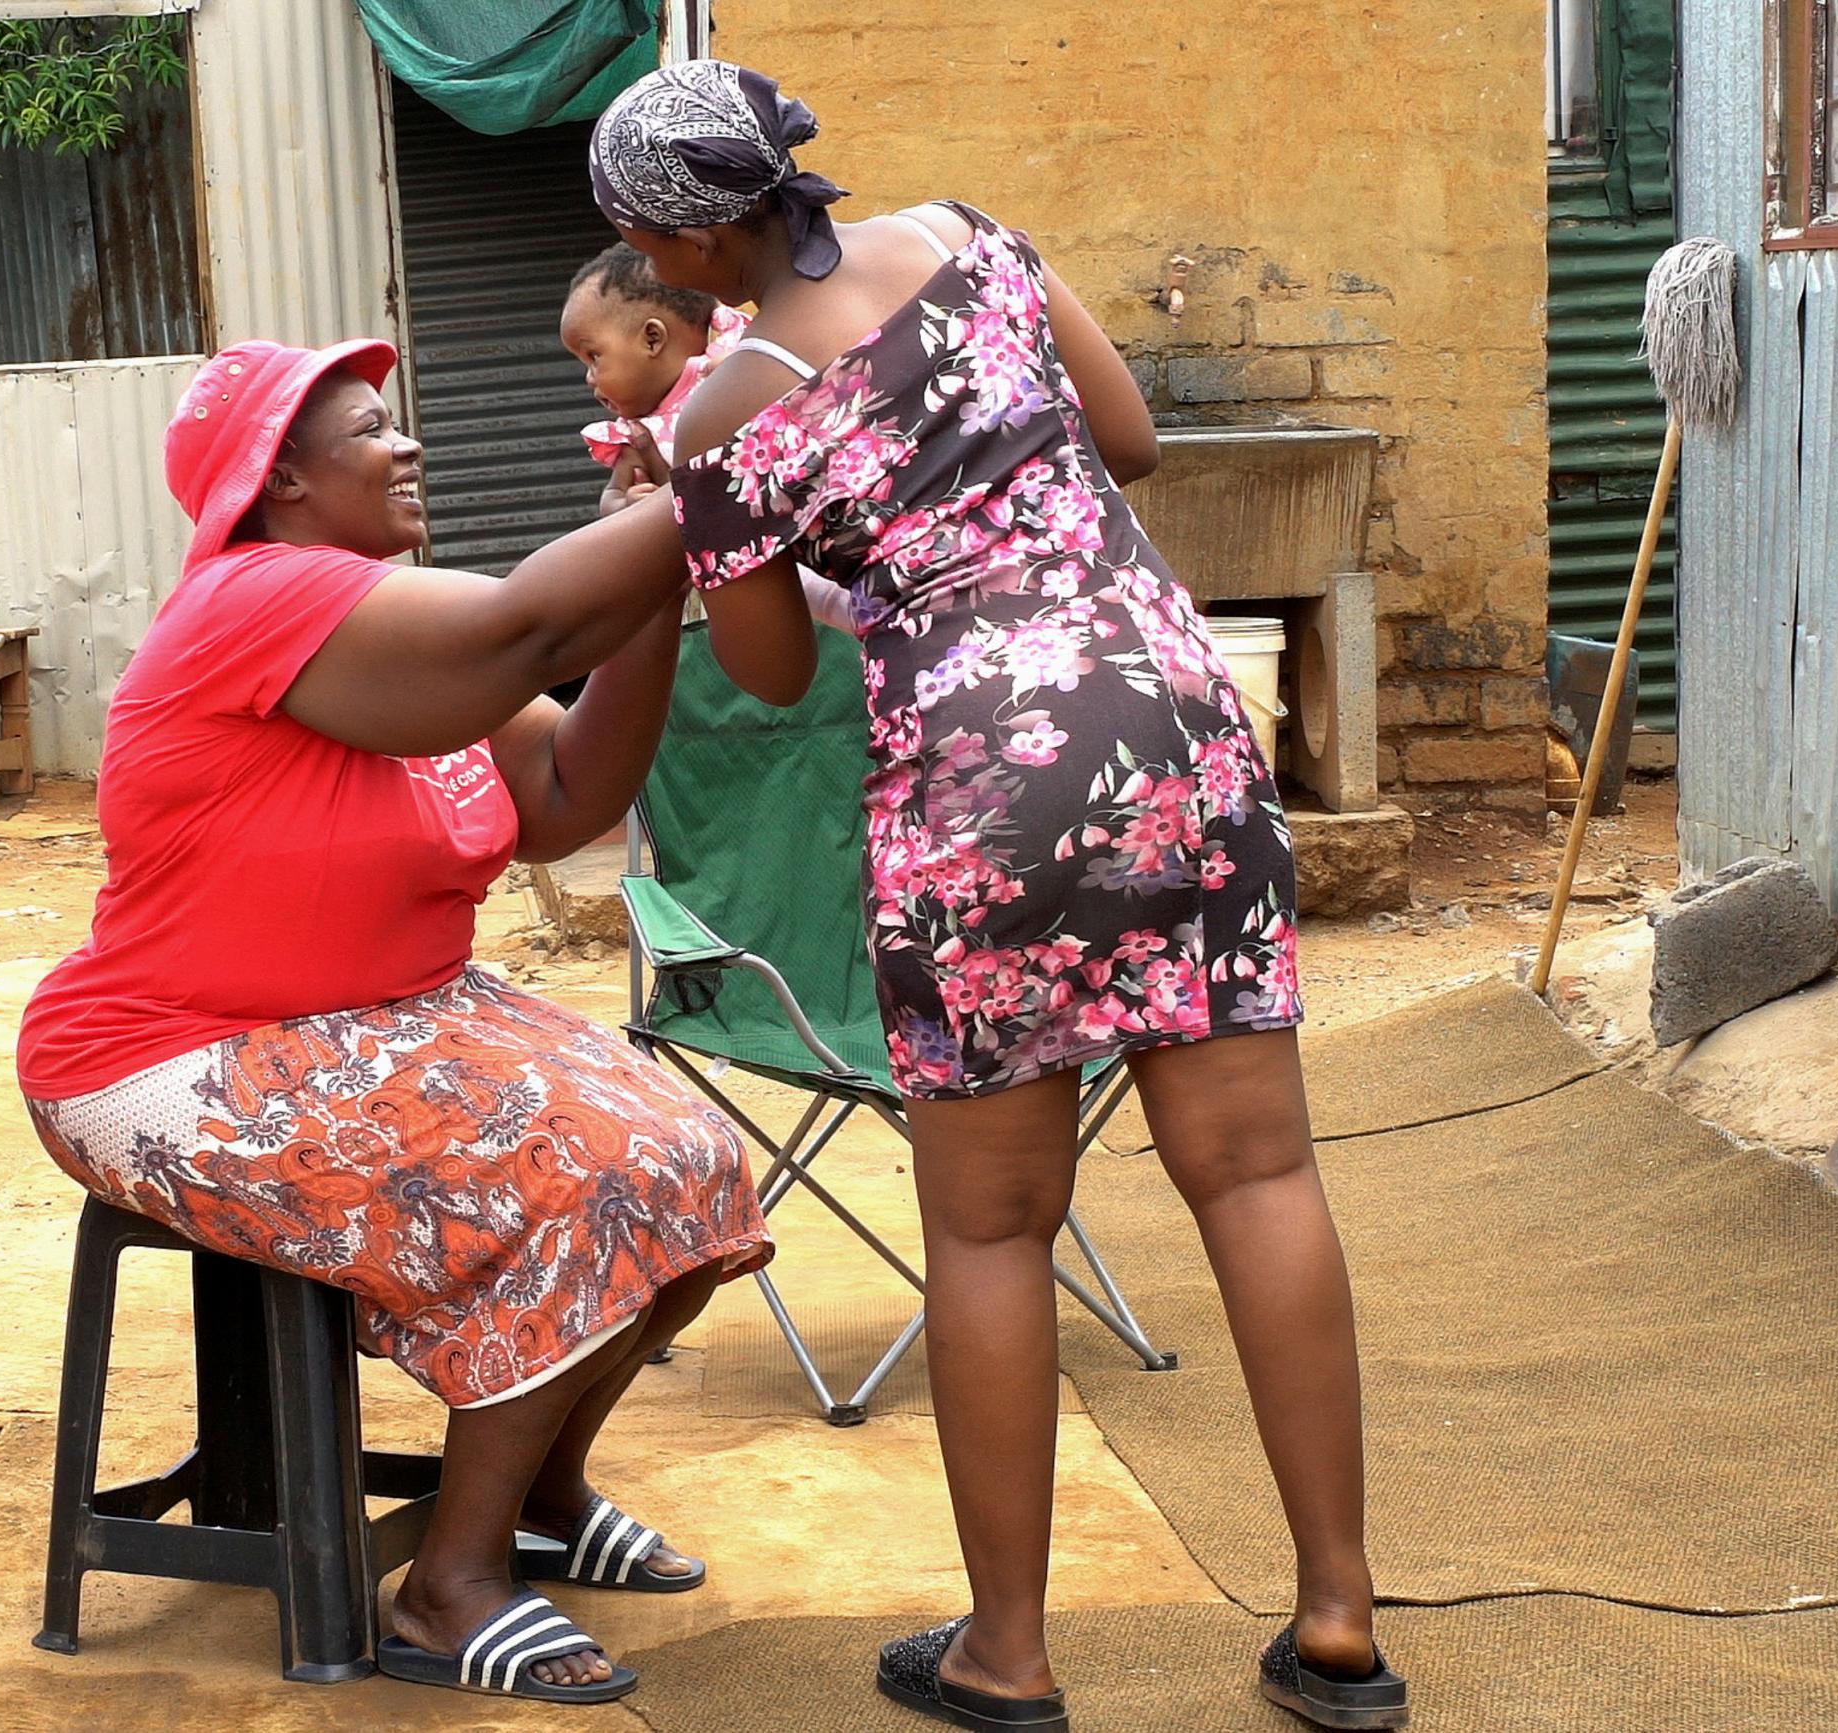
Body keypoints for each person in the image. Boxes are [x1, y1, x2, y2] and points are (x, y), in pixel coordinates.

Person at [587, 60, 1407, 1733]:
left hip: (982, 780)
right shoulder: (971, 236)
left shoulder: (723, 411)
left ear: (676, 233)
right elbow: (1130, 440)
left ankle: (1008, 1652)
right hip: (1174, 715)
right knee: (1255, 1169)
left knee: (985, 1221)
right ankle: (1338, 1615)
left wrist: (801, 532)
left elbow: (762, 660)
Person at [16, 337, 772, 1708]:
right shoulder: (253, 598)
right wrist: (730, 485)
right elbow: (527, 631)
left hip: (388, 1012)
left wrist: (658, 582)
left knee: (693, 1164)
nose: (410, 445)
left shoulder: (397, 632)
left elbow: (564, 796)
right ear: (284, 480)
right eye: (373, 431)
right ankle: (448, 1587)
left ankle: (539, 1493)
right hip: (178, 1049)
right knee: (575, 1174)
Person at [562, 242, 855, 632]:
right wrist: (622, 505)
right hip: (750, 569)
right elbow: (614, 498)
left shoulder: (738, 361)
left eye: (593, 356)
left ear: (652, 339)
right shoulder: (636, 439)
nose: (588, 377)